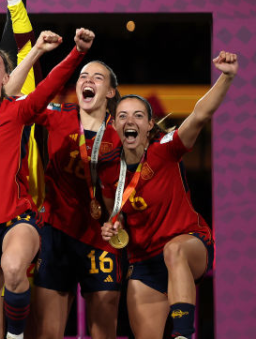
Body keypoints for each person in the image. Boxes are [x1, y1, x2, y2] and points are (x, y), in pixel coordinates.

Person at [0, 5, 94, 339]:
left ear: (5, 79)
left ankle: (17, 335)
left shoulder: (16, 111)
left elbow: (48, 86)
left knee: (13, 268)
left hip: (15, 218)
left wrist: (76, 54)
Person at [100, 51, 235, 339]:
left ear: (149, 125)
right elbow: (116, 214)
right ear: (114, 126)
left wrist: (226, 76)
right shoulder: (109, 171)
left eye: (138, 115)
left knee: (174, 250)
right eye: (122, 116)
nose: (130, 121)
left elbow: (200, 115)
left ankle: (184, 335)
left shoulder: (166, 149)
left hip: (189, 246)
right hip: (144, 263)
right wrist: (113, 227)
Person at [32, 61, 123, 339]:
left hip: (102, 237)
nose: (88, 80)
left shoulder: (121, 132)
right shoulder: (59, 115)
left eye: (98, 77)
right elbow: (17, 102)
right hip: (56, 232)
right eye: (83, 76)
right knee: (47, 334)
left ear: (110, 92)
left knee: (103, 334)